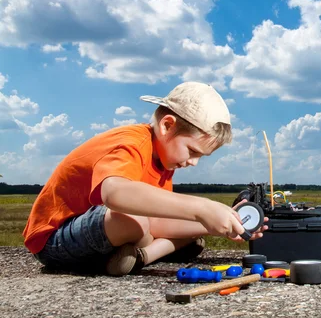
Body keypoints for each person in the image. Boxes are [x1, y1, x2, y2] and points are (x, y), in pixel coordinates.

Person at [22, 82, 267, 276]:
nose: (193, 162)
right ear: (167, 126)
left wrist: (222, 223)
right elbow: (115, 194)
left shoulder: (164, 160)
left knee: (191, 231)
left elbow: (158, 220)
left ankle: (139, 257)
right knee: (135, 218)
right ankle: (145, 249)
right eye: (192, 151)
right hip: (54, 241)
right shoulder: (132, 143)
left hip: (102, 239)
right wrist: (201, 207)